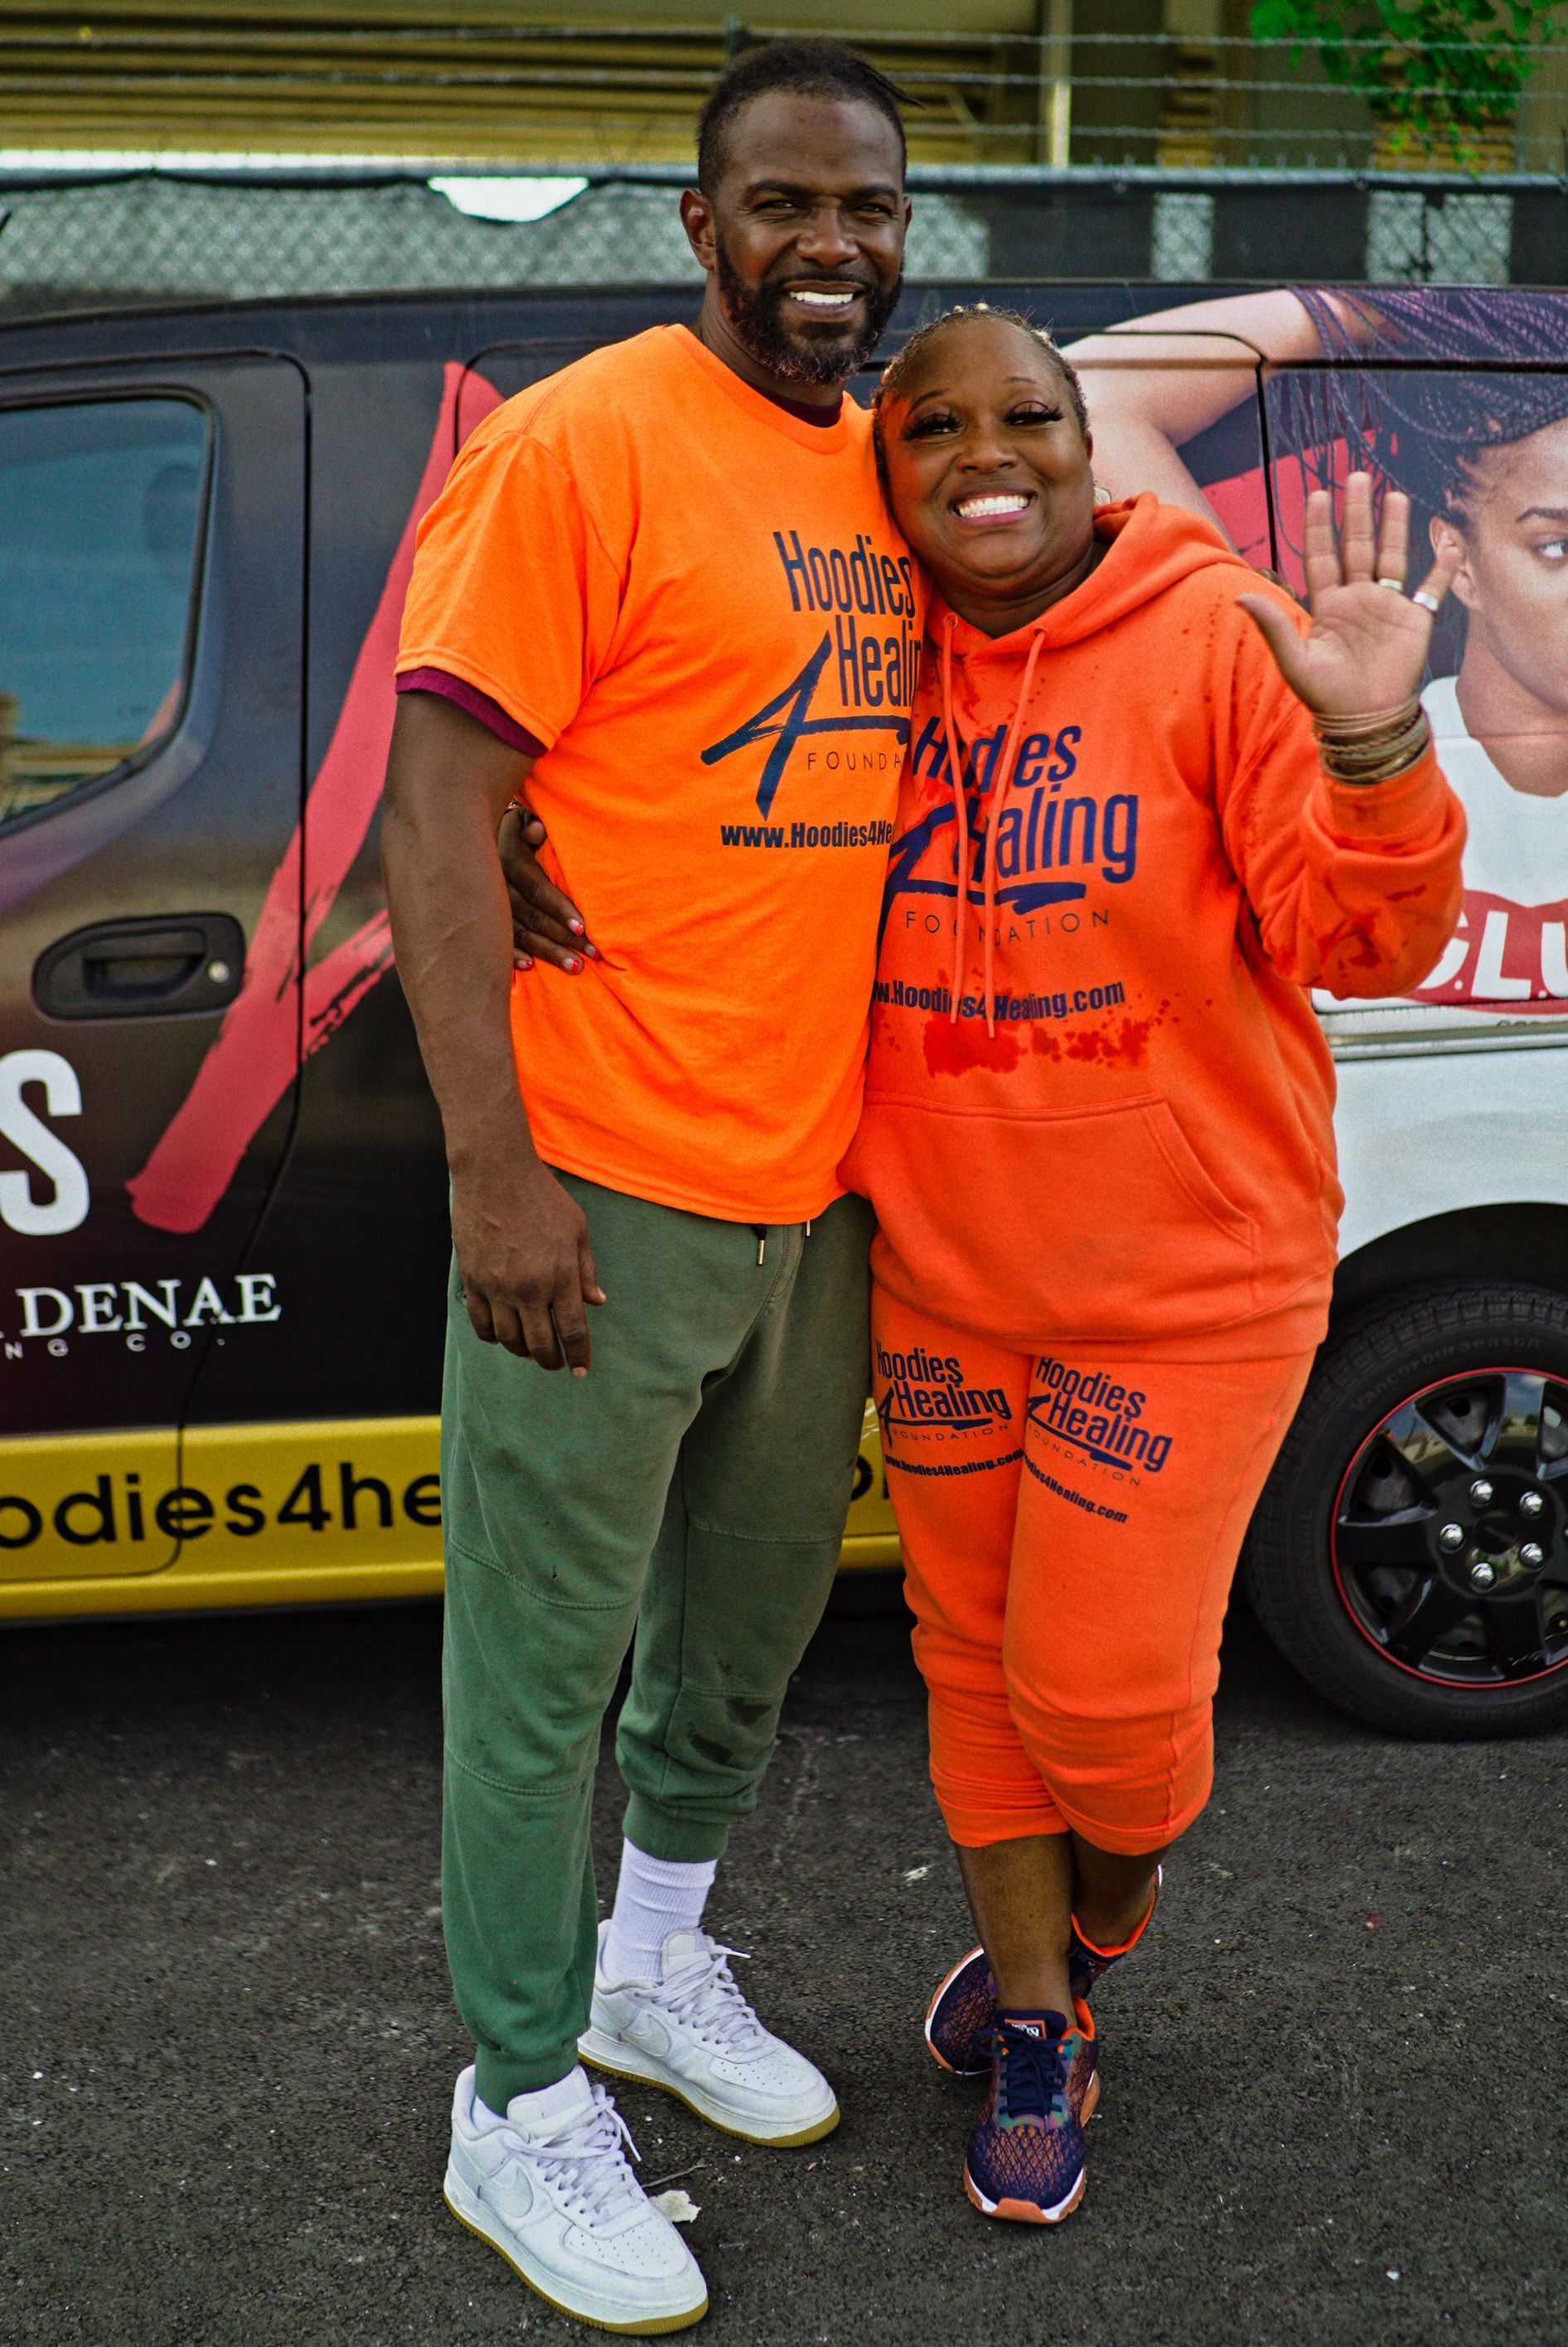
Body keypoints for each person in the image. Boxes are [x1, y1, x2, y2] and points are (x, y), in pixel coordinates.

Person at [382, 39, 919, 2335]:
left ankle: (647, 1974)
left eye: (867, 208)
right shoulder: (586, 440)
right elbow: (434, 802)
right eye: (784, 205)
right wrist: (493, 1174)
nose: (831, 246)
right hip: (602, 1182)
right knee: (535, 1675)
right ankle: (513, 2106)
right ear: (700, 226)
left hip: (823, 1184)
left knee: (739, 1641)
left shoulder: (896, 464)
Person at [833, 304, 1465, 2226]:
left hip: (1184, 1285)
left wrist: (1368, 730)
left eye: (1027, 413)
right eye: (932, 425)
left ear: (1091, 441)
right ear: (888, 466)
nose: (984, 455)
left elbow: (1370, 937)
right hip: (943, 1276)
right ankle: (1040, 2016)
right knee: (965, 1666)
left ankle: (1101, 1904)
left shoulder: (1206, 638)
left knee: (1102, 1709)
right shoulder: (864, 662)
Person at [1066, 286, 1568, 1009]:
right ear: (1459, 562)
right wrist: (1393, 310)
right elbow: (1085, 401)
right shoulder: (1316, 712)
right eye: (1555, 546)